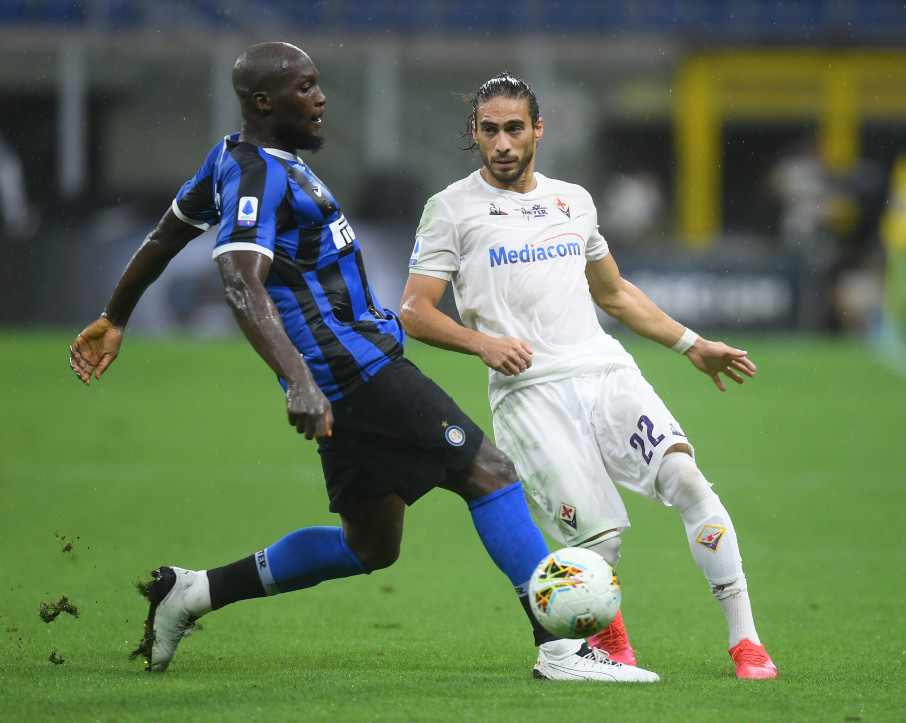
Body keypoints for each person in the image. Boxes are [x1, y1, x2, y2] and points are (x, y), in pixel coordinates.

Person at [68, 43, 658, 684]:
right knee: (489, 472)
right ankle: (561, 650)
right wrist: (300, 380)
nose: (320, 98)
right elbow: (240, 278)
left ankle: (192, 593)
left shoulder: (238, 160)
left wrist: (115, 316)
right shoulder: (257, 175)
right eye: (305, 87)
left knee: (370, 544)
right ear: (264, 101)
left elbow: (166, 233)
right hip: (350, 370)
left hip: (342, 374)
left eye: (318, 84)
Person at [399, 72, 777, 679]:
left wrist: (692, 344)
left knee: (686, 478)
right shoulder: (451, 209)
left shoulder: (572, 200)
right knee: (599, 544)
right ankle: (607, 642)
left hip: (604, 371)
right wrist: (482, 344)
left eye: (514, 128)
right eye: (489, 130)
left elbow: (615, 292)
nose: (502, 143)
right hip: (529, 394)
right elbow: (414, 310)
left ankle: (746, 641)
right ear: (474, 132)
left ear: (538, 130)